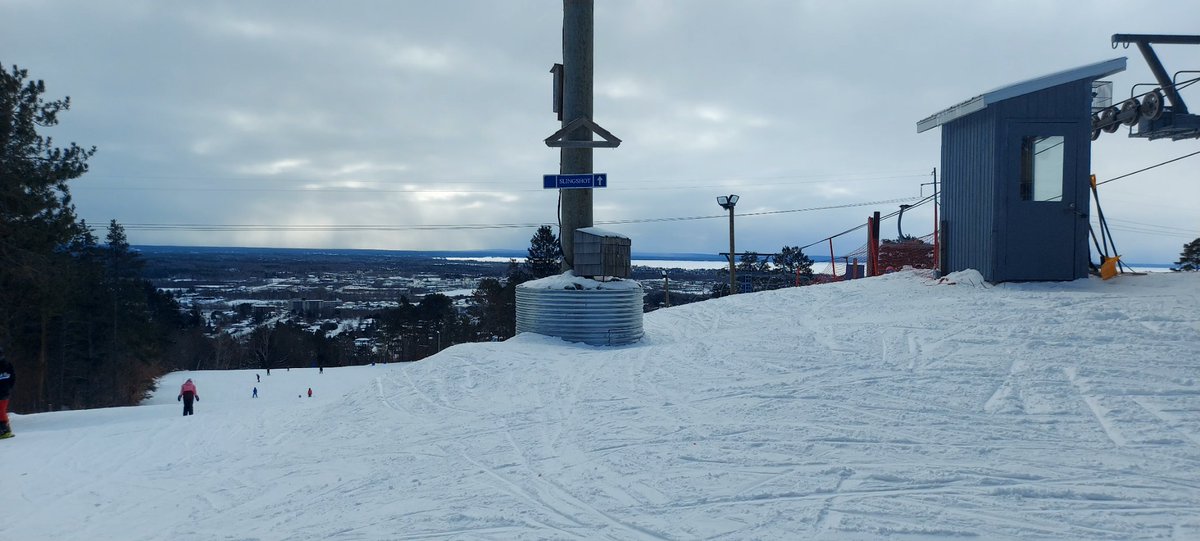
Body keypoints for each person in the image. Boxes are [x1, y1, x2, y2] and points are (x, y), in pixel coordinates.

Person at [0, 346, 16, 439]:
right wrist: (9, 387)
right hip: (6, 391)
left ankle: (4, 430)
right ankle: (6, 429)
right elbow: (13, 377)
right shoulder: (7, 364)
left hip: (4, 391)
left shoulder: (7, 365)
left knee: (1, 411)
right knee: (2, 410)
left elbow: (12, 377)